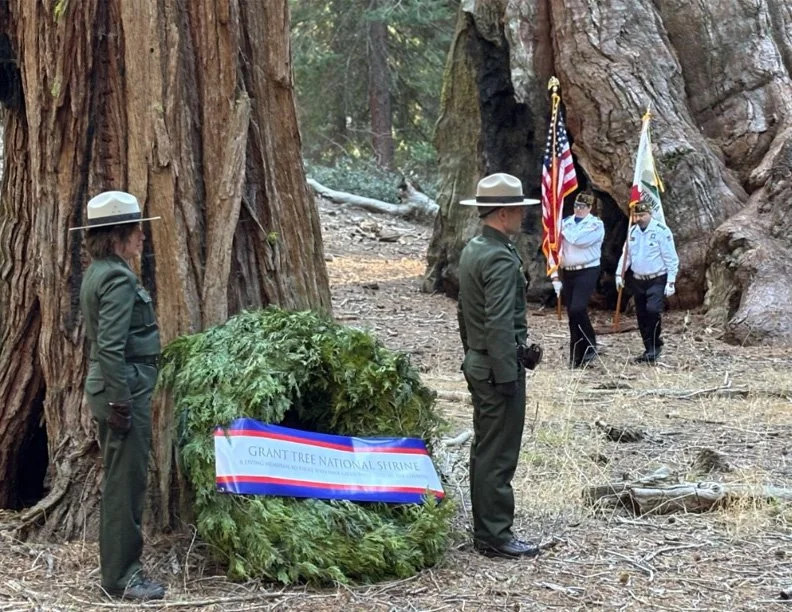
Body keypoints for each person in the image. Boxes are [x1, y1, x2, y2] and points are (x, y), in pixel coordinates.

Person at [70, 191, 165, 600]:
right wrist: (121, 400)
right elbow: (110, 346)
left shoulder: (101, 271)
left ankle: (120, 571)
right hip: (122, 384)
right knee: (125, 486)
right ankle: (122, 577)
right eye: (134, 229)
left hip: (116, 383)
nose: (142, 235)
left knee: (121, 482)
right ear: (116, 236)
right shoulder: (117, 277)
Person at [457, 173, 543, 559]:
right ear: (504, 213)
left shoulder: (475, 249)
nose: (523, 216)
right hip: (496, 368)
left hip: (481, 362)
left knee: (485, 447)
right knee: (499, 453)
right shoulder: (498, 257)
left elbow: (464, 313)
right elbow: (499, 323)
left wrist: (473, 355)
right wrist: (507, 374)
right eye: (519, 210)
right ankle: (495, 535)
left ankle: (487, 529)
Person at [615, 198, 679, 364]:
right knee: (641, 315)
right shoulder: (633, 232)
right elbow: (626, 255)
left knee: (653, 310)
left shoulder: (661, 231)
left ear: (650, 214)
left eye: (642, 215)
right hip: (638, 279)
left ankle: (656, 343)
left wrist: (671, 281)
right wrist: (619, 274)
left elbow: (671, 258)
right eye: (636, 215)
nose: (638, 219)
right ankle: (649, 347)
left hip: (657, 278)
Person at [551, 193, 605, 368]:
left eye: (582, 207)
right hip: (568, 271)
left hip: (587, 269)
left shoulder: (595, 225)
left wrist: (560, 229)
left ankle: (590, 343)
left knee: (578, 308)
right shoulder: (566, 222)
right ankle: (577, 353)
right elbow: (554, 248)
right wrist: (555, 275)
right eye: (576, 206)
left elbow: (579, 240)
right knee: (572, 314)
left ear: (589, 208)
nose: (578, 209)